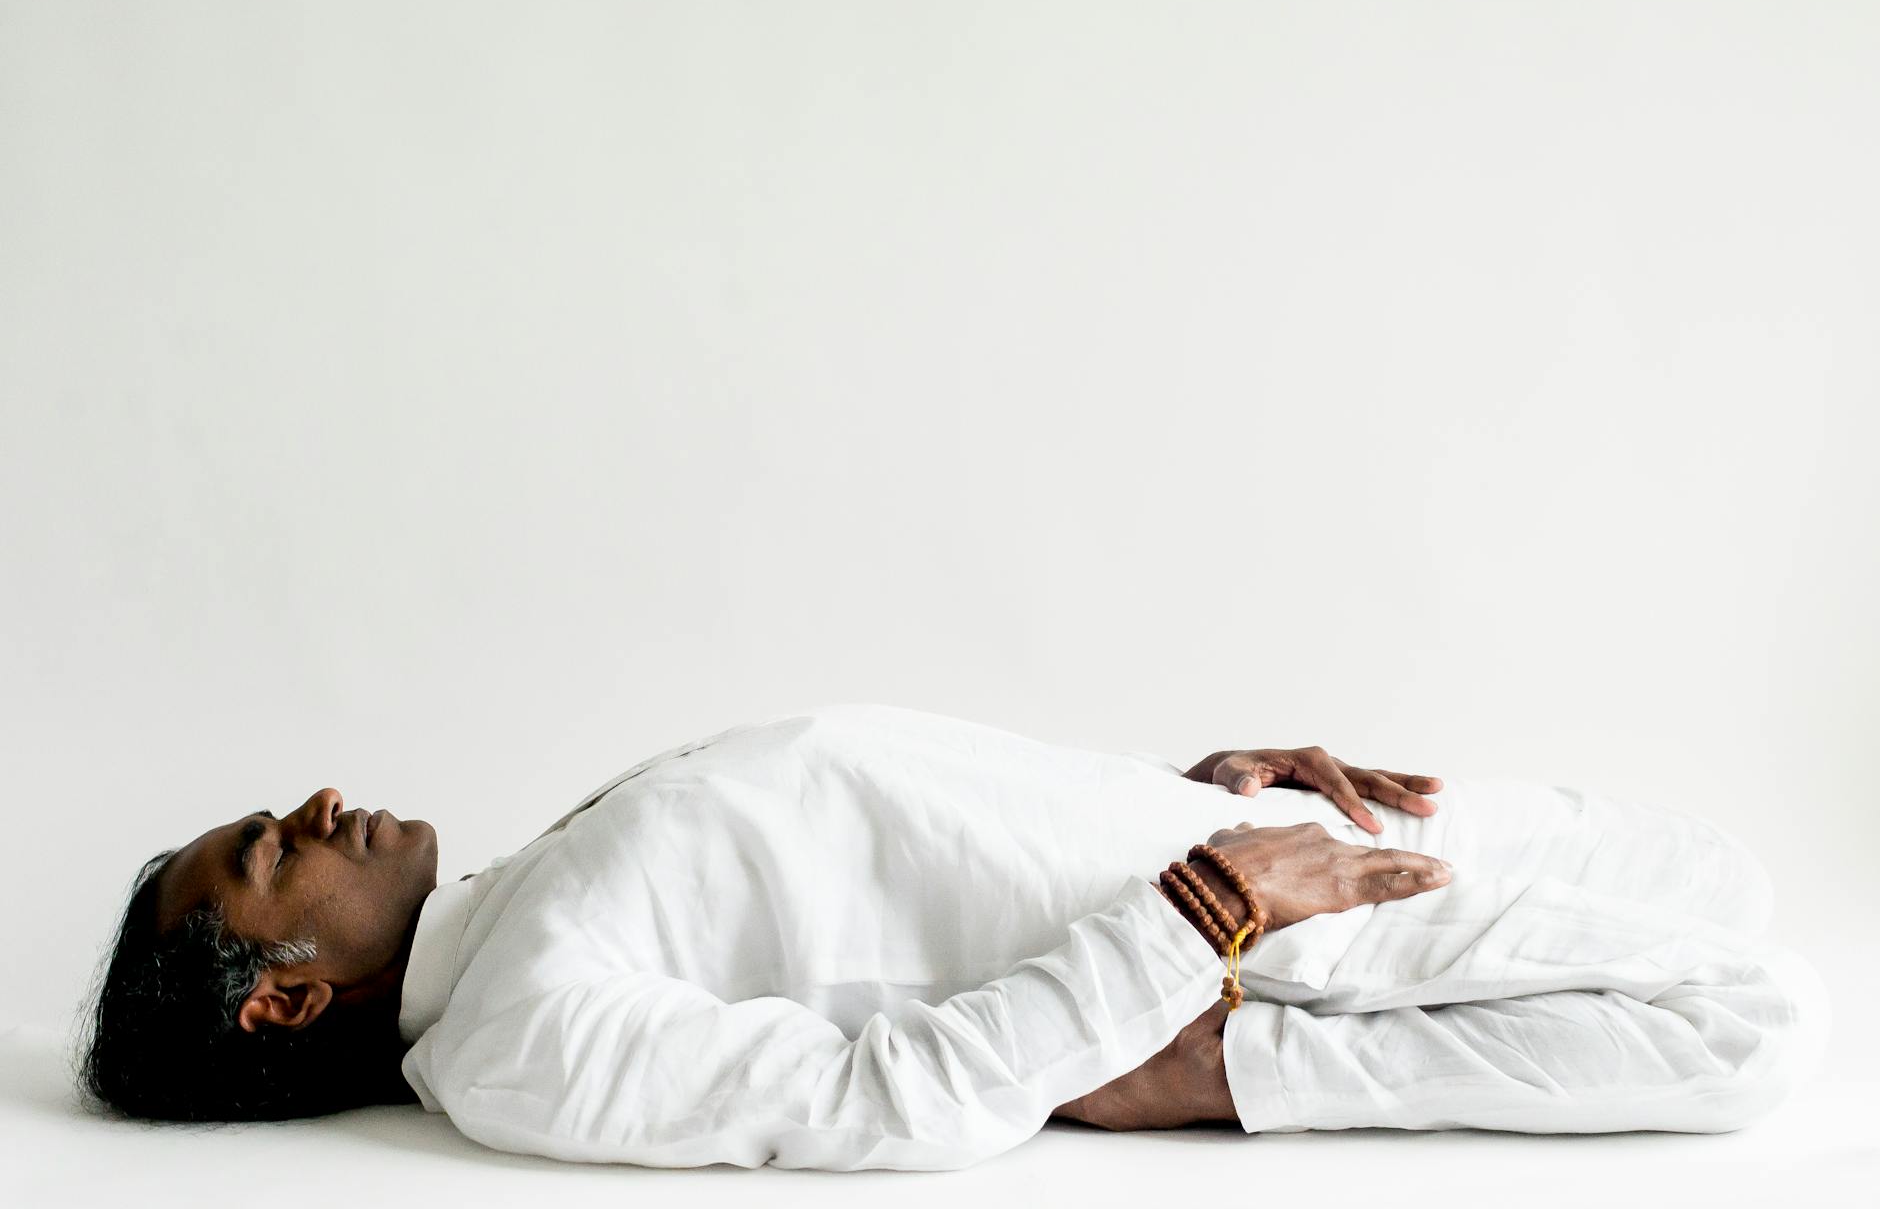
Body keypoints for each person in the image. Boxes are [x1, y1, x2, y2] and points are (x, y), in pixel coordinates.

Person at [76, 702, 1828, 1170]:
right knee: (1753, 1021)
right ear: (281, 1001)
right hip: (1233, 939)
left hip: (1182, 833)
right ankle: (1295, 1051)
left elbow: (877, 859)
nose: (308, 809)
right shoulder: (516, 1041)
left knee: (1719, 876)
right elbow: (878, 1098)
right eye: (263, 857)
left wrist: (1163, 787)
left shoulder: (506, 903)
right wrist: (1212, 922)